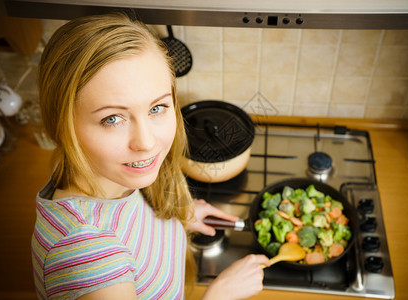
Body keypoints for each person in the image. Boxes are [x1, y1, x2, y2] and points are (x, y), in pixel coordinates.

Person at [31, 12, 270, 300]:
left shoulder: (104, 176)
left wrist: (172, 220)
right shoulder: (88, 257)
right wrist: (220, 295)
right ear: (63, 124)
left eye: (156, 108)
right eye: (112, 119)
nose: (146, 142)